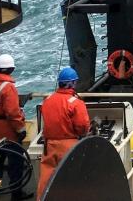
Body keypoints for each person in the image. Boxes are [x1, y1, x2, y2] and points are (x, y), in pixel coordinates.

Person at [36, 67, 90, 199]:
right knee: (72, 178)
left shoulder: (47, 100)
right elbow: (82, 126)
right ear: (72, 83)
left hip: (49, 145)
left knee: (47, 176)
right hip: (69, 145)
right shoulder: (76, 103)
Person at [0, 54, 31, 200]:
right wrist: (20, 130)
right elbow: (12, 113)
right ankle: (16, 194)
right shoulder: (8, 87)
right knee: (15, 163)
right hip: (7, 131)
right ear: (10, 69)